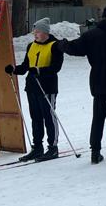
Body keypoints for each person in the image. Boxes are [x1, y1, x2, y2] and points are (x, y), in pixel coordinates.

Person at [61, 4, 106, 165]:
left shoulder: (92, 34)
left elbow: (74, 48)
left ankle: (95, 152)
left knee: (98, 117)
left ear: (103, 16)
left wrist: (62, 44)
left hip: (99, 81)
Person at [6, 17, 64, 162]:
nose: (35, 34)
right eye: (34, 31)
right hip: (32, 87)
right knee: (36, 118)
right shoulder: (31, 46)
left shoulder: (55, 46)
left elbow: (56, 68)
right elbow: (26, 66)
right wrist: (14, 69)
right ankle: (37, 147)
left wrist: (39, 70)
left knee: (49, 117)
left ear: (45, 32)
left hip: (47, 88)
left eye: (37, 31)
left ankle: (53, 148)